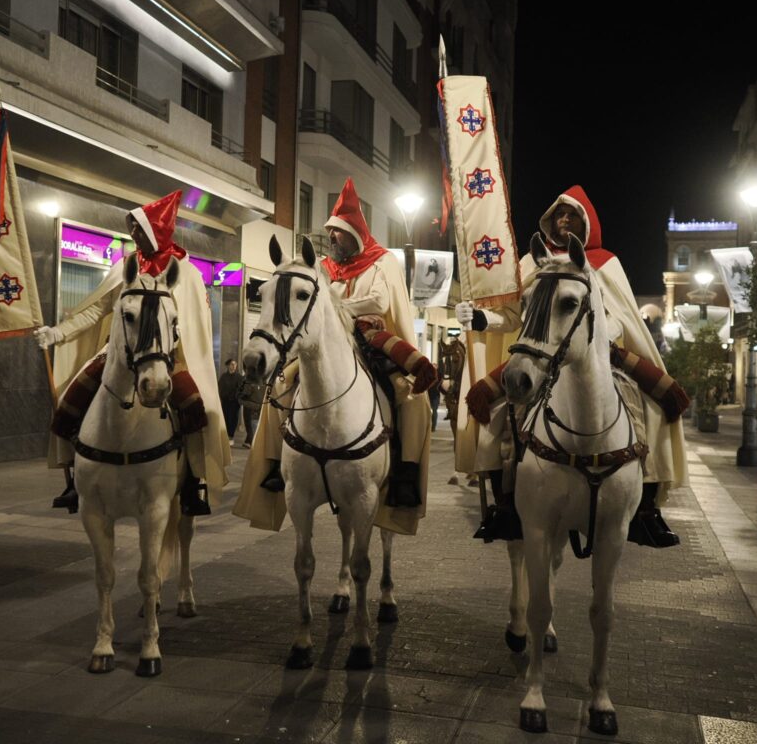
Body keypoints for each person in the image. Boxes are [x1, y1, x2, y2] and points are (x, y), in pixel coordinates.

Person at [457, 185, 688, 548]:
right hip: (542, 351)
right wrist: (480, 318)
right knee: (495, 411)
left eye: (571, 215)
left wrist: (603, 336)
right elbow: (513, 313)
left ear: (585, 222)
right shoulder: (533, 262)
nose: (564, 220)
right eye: (558, 215)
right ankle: (504, 504)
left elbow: (621, 316)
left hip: (599, 351)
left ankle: (646, 506)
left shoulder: (605, 263)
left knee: (652, 404)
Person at [233, 177, 436, 536]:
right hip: (326, 343)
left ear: (354, 235)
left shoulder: (382, 261)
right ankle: (276, 466)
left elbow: (380, 302)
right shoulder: (323, 267)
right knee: (278, 388)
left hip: (371, 341)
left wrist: (332, 304)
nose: (333, 240)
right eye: (330, 233)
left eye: (338, 234)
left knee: (412, 399)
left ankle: (404, 474)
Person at [33, 190, 230, 514]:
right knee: (71, 400)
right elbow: (96, 310)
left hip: (167, 356)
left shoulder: (187, 272)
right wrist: (57, 332)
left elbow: (193, 323)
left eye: (138, 228)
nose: (133, 233)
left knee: (197, 408)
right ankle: (74, 478)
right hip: (119, 354)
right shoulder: (125, 267)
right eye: (132, 228)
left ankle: (194, 483)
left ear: (156, 230)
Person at [218, 359, 242, 444]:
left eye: (235, 364)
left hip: (235, 402)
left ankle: (231, 436)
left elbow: (241, 389)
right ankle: (226, 435)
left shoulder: (239, 377)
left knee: (233, 419)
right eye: (232, 364)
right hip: (226, 401)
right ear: (228, 366)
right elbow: (220, 387)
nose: (234, 366)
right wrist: (222, 397)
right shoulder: (224, 376)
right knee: (226, 418)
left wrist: (237, 397)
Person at [237, 373, 265, 447]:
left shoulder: (257, 381)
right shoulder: (251, 382)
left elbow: (246, 393)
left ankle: (250, 443)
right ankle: (250, 442)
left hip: (255, 408)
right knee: (253, 426)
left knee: (252, 427)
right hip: (255, 408)